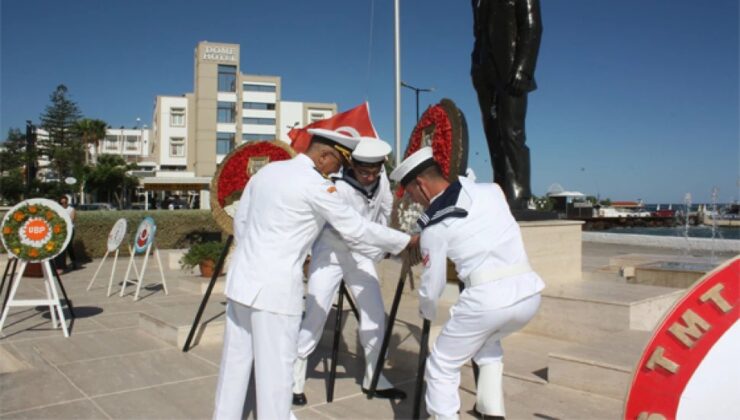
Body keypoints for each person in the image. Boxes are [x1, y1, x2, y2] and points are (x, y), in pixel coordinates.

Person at [213, 128, 417, 420]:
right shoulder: (315, 185)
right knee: (276, 377)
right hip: (275, 291)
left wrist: (255, 260)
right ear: (324, 156)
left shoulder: (267, 173)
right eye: (339, 162)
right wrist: (405, 242)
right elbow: (356, 228)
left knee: (234, 369)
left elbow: (241, 222)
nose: (339, 170)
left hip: (242, 283)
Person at [390, 147, 544, 420]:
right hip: (530, 293)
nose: (414, 200)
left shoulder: (435, 226)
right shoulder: (491, 191)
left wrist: (426, 310)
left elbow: (433, 285)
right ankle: (492, 412)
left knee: (441, 364)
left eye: (411, 193)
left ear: (421, 185)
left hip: (487, 299)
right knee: (488, 344)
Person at [292, 137, 406, 406]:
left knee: (375, 314)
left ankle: (375, 377)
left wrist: (383, 240)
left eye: (374, 171)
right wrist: (385, 248)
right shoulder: (336, 186)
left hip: (362, 254)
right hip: (329, 255)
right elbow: (350, 231)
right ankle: (293, 380)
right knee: (315, 317)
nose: (369, 177)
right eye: (363, 171)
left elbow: (384, 213)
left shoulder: (382, 181)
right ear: (352, 165)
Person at [471, 0, 542, 210]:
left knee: (512, 132)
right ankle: (500, 187)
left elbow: (533, 27)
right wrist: (476, 66)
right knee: (492, 134)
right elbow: (479, 33)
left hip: (511, 69)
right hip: (484, 72)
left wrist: (523, 70)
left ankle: (519, 193)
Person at [54, 195, 78, 272]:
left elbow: (72, 219)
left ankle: (74, 262)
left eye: (65, 202)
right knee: (62, 247)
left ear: (67, 202)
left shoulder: (71, 209)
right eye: (62, 203)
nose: (64, 204)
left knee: (69, 246)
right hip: (61, 230)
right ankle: (62, 265)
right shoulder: (58, 209)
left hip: (70, 229)